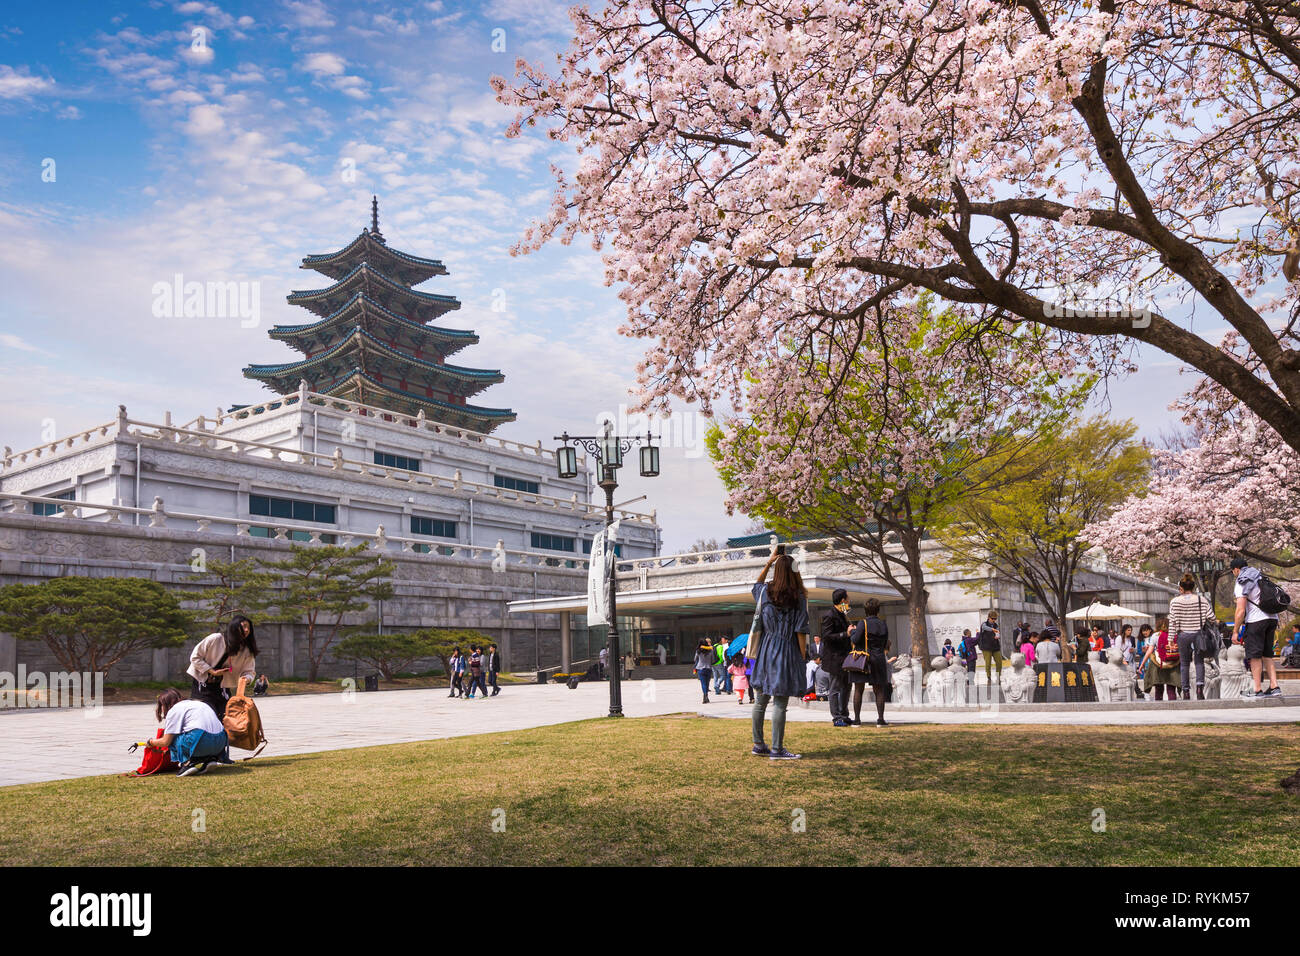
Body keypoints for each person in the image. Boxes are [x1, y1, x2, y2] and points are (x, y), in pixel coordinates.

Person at [750, 546, 809, 759]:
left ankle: (759, 744)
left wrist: (769, 561)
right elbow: (800, 630)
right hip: (785, 648)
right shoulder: (798, 596)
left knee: (761, 700)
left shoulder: (765, 591)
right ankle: (776, 748)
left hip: (765, 649)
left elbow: (755, 585)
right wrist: (802, 657)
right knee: (780, 702)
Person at [140, 688, 229, 776]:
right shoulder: (199, 703)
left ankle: (187, 763)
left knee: (173, 738)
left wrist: (151, 742)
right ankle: (210, 758)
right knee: (192, 735)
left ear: (164, 704)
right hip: (220, 743)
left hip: (202, 742)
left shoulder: (174, 710)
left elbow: (165, 742)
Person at [187, 615, 259, 720]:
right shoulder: (215, 638)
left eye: (249, 627)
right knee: (206, 714)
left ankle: (224, 736)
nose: (247, 630)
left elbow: (249, 672)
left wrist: (245, 679)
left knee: (226, 716)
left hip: (222, 687)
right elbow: (195, 657)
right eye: (243, 626)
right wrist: (212, 671)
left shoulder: (246, 650)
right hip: (202, 683)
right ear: (234, 627)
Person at [1231, 557, 1283, 698]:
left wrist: (1235, 631)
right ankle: (1274, 686)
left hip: (1256, 621)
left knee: (1254, 656)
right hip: (1272, 618)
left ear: (1236, 569)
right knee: (1267, 654)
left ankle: (1257, 689)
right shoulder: (1261, 577)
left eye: (1233, 571)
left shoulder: (1242, 581)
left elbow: (1240, 610)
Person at [1168, 573, 1217, 701]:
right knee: (1199, 662)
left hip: (1182, 634)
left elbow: (1172, 622)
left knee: (1184, 664)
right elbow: (1211, 617)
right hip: (1198, 634)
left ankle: (1186, 691)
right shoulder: (1201, 600)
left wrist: (1170, 639)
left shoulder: (1175, 602)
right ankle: (1200, 689)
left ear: (1181, 588)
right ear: (1193, 587)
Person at [820, 588, 853, 727]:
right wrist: (845, 634)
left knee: (847, 686)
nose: (849, 601)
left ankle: (844, 714)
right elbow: (826, 637)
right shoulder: (830, 615)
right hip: (834, 658)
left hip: (845, 656)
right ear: (842, 600)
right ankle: (836, 717)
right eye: (848, 598)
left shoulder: (843, 614)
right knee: (835, 687)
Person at [861, 598, 893, 726]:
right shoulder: (882, 624)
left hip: (867, 658)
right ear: (878, 610)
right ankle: (881, 718)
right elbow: (885, 642)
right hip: (879, 657)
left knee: (859, 688)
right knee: (879, 690)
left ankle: (857, 719)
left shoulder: (863, 623)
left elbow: (856, 638)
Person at [1140, 617, 1180, 700]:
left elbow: (1149, 651)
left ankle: (1159, 708)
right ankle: (1173, 708)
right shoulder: (1175, 634)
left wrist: (1142, 664)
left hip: (1159, 663)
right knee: (1171, 688)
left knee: (1158, 687)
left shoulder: (1155, 635)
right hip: (1173, 663)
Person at [977, 610, 1002, 682]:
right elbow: (986, 628)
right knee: (988, 663)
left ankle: (998, 676)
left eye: (995, 619)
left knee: (999, 662)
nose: (994, 620)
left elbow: (998, 632)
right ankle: (988, 676)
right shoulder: (984, 624)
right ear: (989, 617)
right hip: (986, 647)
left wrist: (998, 636)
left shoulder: (996, 625)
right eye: (993, 618)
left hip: (995, 646)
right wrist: (992, 629)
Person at [693, 638, 714, 704]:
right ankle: (706, 696)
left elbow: (695, 659)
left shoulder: (698, 651)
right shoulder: (710, 651)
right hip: (708, 668)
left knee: (703, 683)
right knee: (707, 683)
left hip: (700, 669)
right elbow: (713, 660)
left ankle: (705, 695)